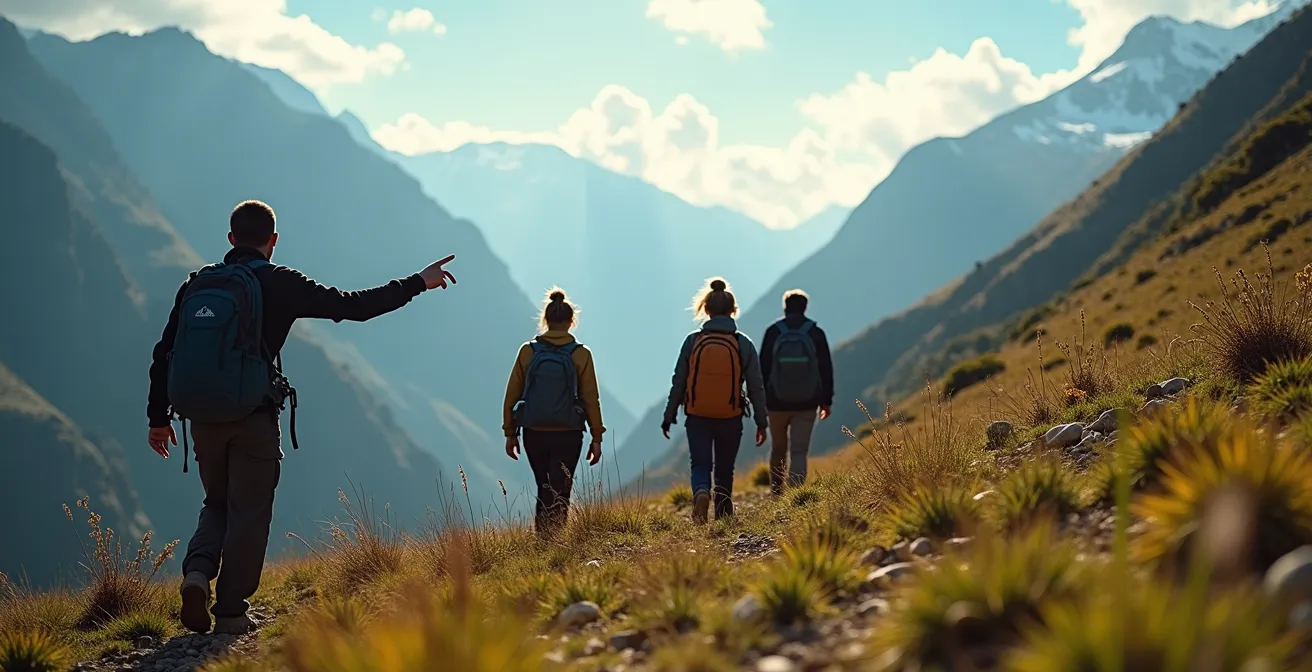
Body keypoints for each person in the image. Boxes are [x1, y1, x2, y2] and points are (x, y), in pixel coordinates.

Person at [146, 200, 458, 635]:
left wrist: (158, 417)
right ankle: (231, 612)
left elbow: (165, 352)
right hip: (253, 417)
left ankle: (197, 574)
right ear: (273, 241)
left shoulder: (197, 285)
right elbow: (353, 306)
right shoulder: (281, 282)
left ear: (231, 240)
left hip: (202, 418)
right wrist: (418, 283)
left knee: (216, 502)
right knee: (249, 512)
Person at [661, 278, 768, 524]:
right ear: (733, 310)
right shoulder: (743, 343)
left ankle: (700, 491)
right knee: (724, 467)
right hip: (730, 415)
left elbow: (679, 380)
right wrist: (762, 422)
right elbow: (755, 387)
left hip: (697, 414)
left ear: (706, 310)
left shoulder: (692, 341)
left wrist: (669, 416)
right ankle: (723, 514)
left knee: (700, 462)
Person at [502, 288, 605, 538]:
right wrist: (597, 436)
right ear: (572, 322)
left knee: (544, 486)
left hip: (533, 430)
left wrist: (510, 432)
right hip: (569, 431)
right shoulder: (581, 354)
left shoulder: (528, 351)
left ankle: (543, 538)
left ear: (545, 320)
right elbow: (591, 398)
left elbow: (512, 393)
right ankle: (556, 538)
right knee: (562, 487)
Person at [759, 289, 834, 494]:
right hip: (807, 401)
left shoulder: (773, 332)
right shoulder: (815, 333)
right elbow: (825, 368)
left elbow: (762, 369)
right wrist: (826, 401)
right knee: (799, 450)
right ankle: (795, 494)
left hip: (776, 402)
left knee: (778, 448)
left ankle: (776, 490)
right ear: (805, 307)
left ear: (785, 308)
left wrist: (761, 400)